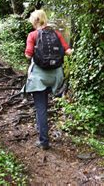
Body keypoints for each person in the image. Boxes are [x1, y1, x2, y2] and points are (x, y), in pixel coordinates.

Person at [22, 9, 73, 150]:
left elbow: (28, 55)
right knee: (45, 103)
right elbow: (68, 52)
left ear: (33, 21)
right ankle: (41, 128)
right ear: (45, 19)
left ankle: (44, 141)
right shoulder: (56, 34)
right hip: (55, 78)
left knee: (41, 108)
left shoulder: (32, 35)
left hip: (39, 78)